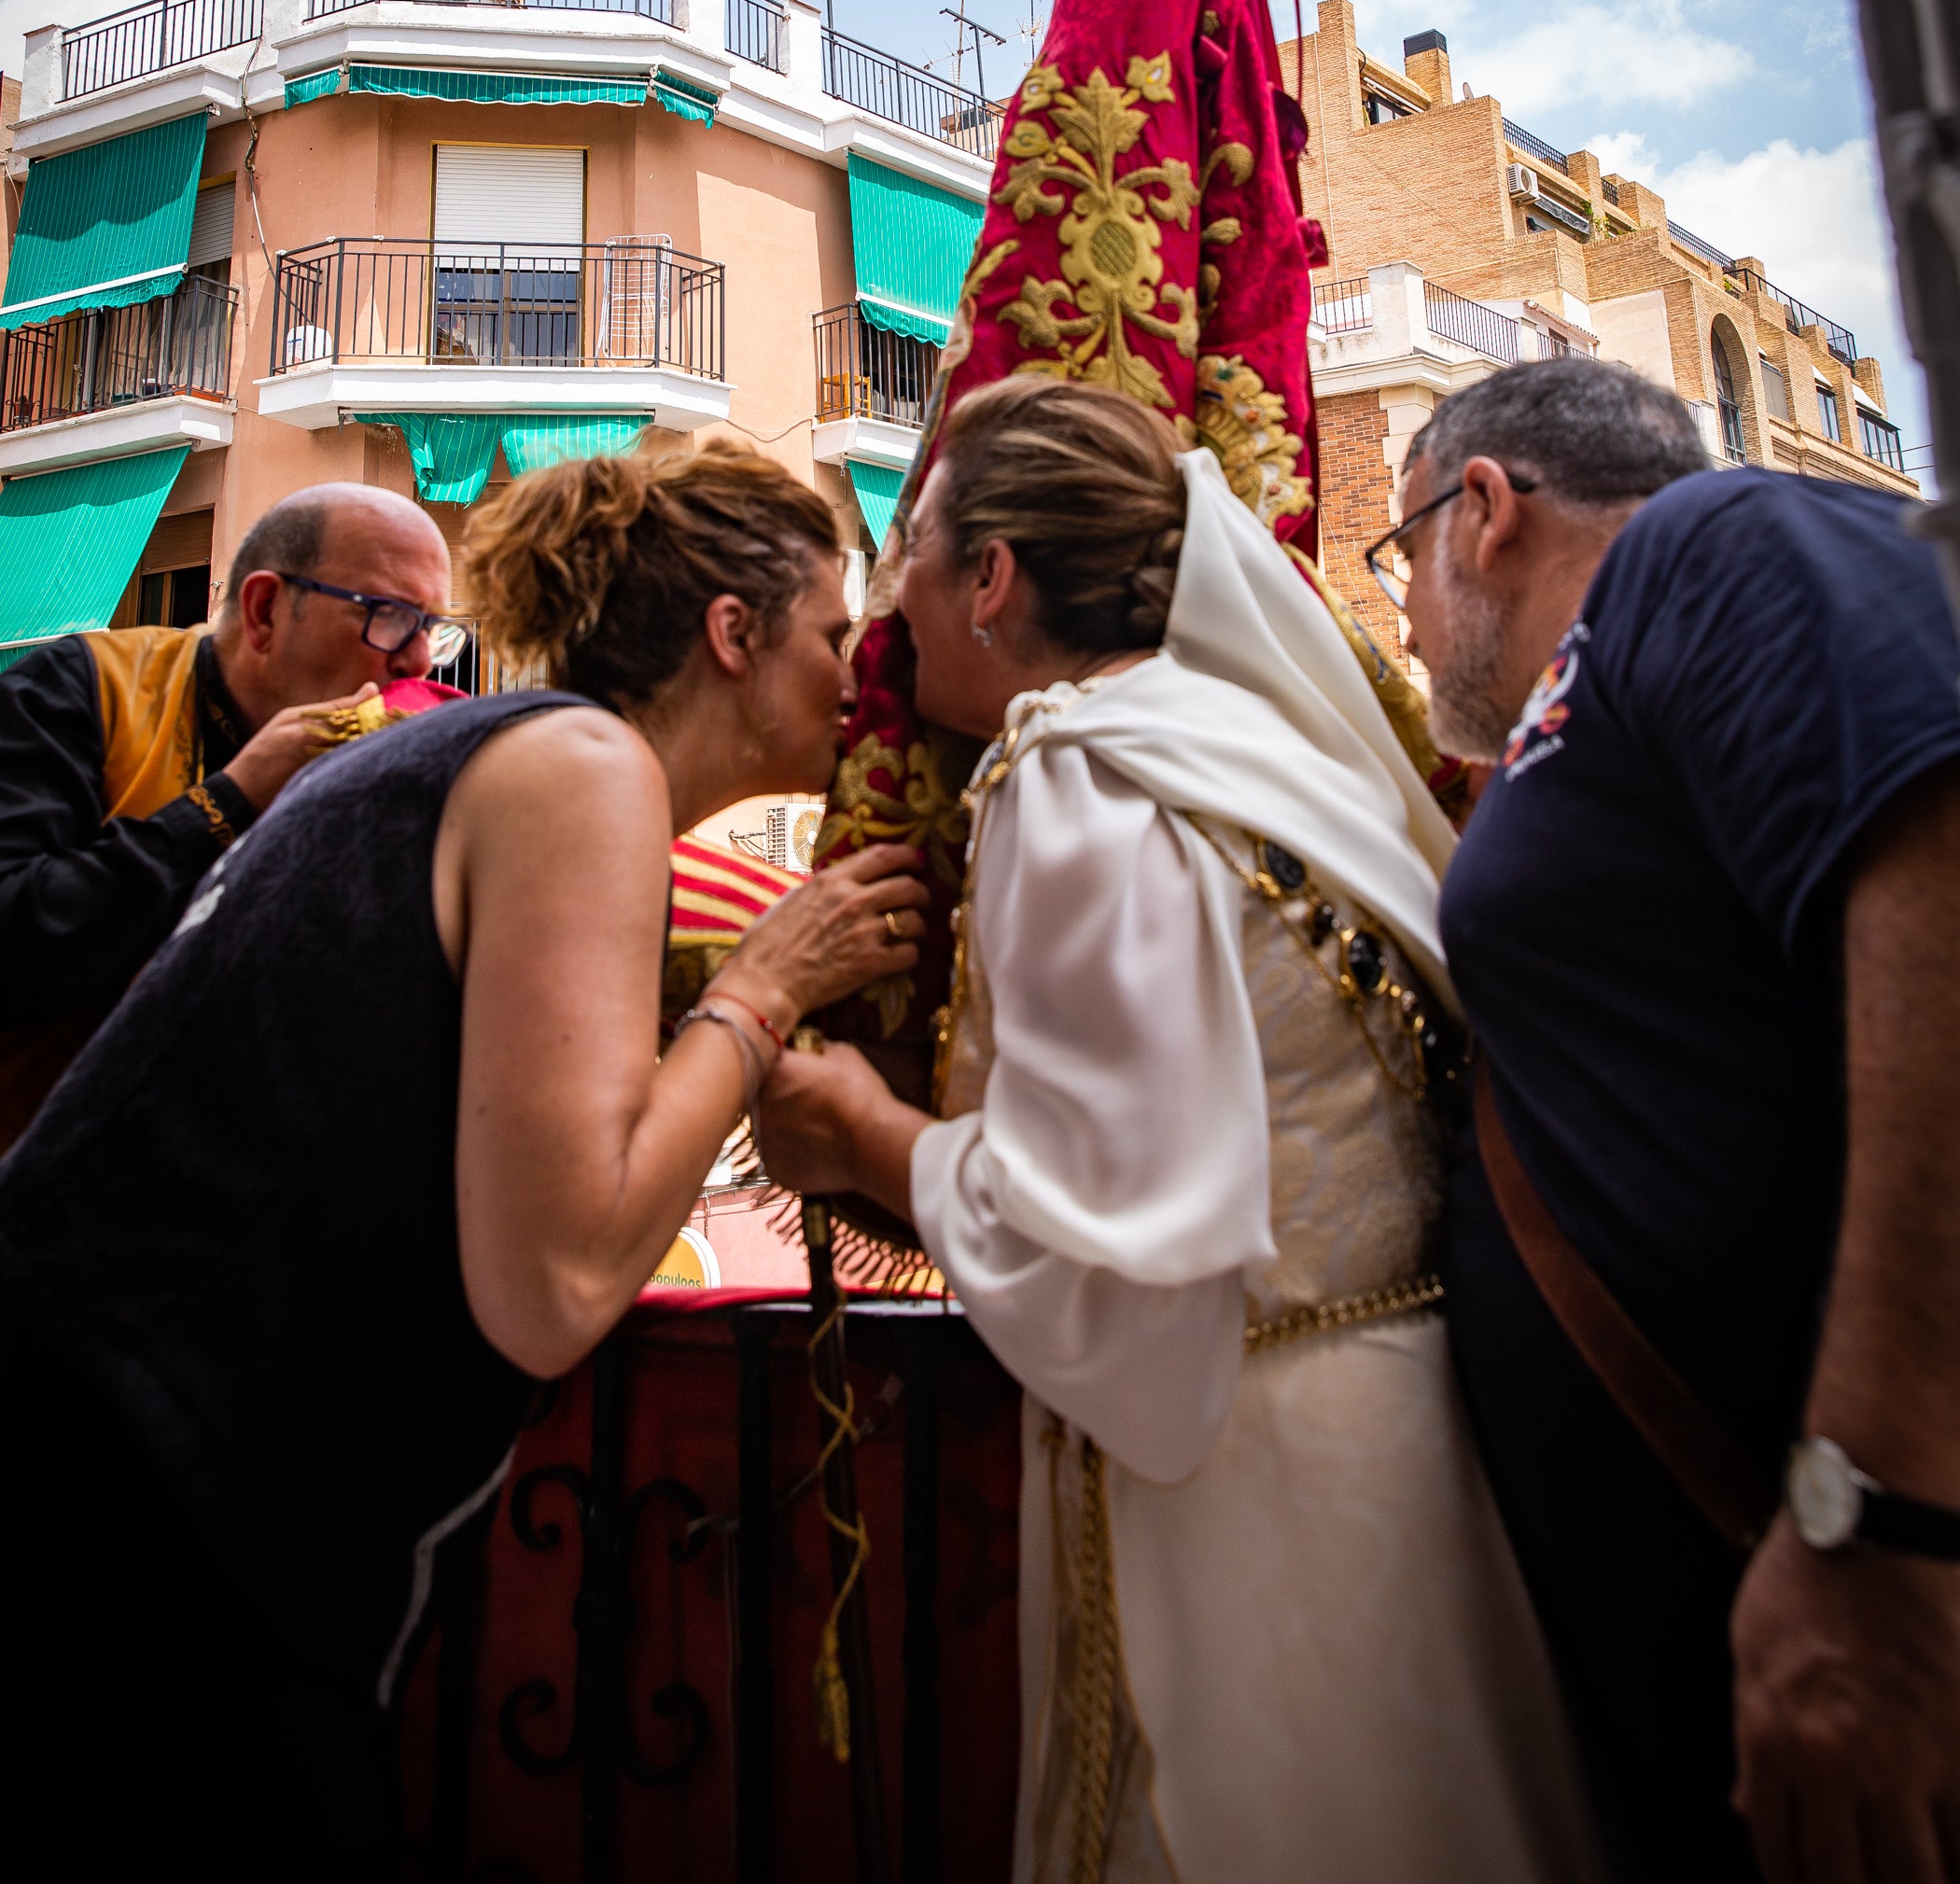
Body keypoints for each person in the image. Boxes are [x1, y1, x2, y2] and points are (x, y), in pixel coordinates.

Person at [0, 442, 928, 1877]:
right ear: (733, 637)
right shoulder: (581, 766)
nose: (856, 670)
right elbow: (555, 1277)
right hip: (133, 1551)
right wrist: (763, 992)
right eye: (831, 633)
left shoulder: (487, 756)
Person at [757, 374, 1605, 1884]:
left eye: (914, 561)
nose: (891, 616)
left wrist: (861, 1135)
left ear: (993, 581)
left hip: (1246, 1484)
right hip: (1413, 1448)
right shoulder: (1265, 750)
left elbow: (1109, 1244)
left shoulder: (1078, 772)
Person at [1381, 356, 1960, 1882]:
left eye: (1400, 558)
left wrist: (1878, 1515)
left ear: (1483, 511)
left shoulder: (1713, 544)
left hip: (1861, 1597)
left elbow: (1939, 868)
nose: (1403, 616)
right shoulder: (1592, 702)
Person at [0, 480, 459, 1142]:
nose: (417, 657)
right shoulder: (81, 692)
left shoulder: (385, 776)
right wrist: (231, 800)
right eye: (388, 615)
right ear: (265, 609)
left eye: (432, 629)